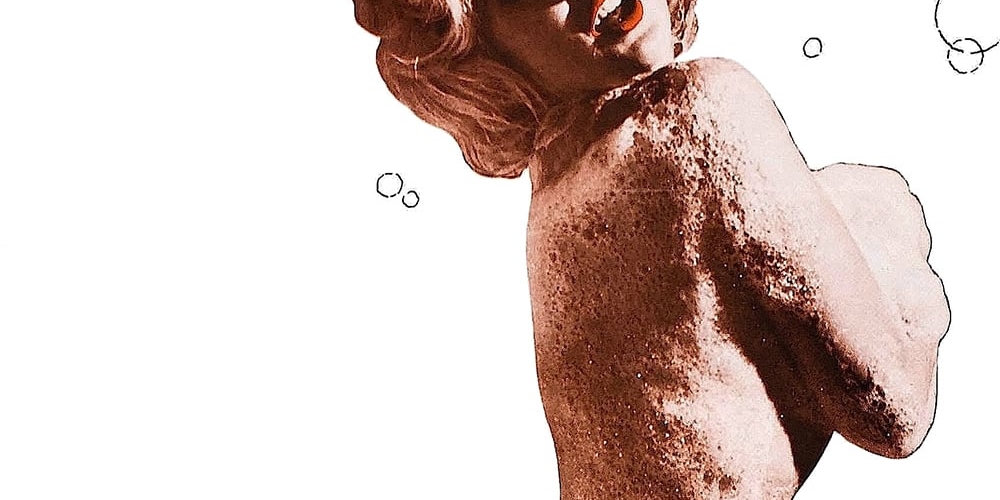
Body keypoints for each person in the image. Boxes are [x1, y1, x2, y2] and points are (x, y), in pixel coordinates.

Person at [354, 1, 950, 498]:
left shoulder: (554, 204)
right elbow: (892, 411)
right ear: (474, 43)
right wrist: (883, 231)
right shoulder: (700, 111)